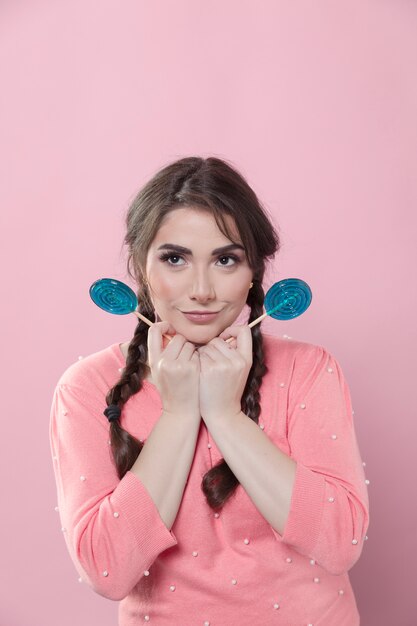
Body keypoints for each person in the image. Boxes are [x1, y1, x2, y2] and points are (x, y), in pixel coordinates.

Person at [50, 156, 370, 626]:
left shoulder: (308, 369)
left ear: (254, 271)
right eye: (175, 258)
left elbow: (341, 543)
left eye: (225, 259)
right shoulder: (87, 389)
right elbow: (106, 570)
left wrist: (225, 415)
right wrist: (179, 414)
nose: (201, 289)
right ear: (140, 265)